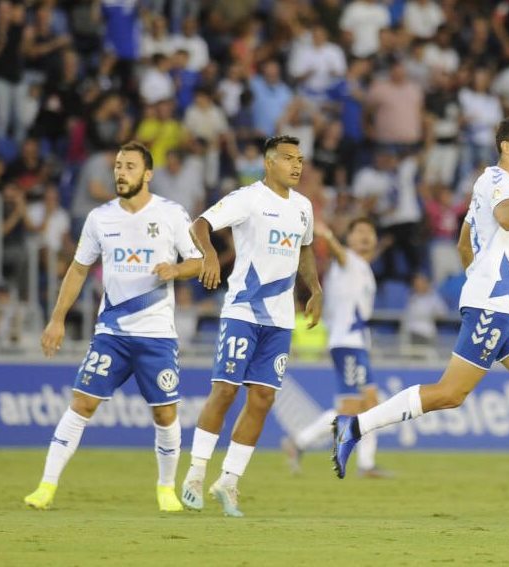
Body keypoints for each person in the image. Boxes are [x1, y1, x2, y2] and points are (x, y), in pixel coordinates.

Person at [331, 116, 509, 511]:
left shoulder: (498, 187)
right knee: (449, 394)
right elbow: (508, 217)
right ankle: (354, 426)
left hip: (503, 309)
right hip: (492, 308)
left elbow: (463, 241)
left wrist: (478, 275)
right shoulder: (497, 181)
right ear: (504, 146)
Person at [24, 141, 204, 512]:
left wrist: (176, 269)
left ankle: (166, 488)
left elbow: (199, 262)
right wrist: (57, 319)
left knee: (165, 414)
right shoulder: (100, 218)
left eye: (130, 167)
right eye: (118, 166)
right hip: (112, 334)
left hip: (156, 335)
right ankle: (45, 487)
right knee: (81, 404)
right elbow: (77, 269)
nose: (121, 172)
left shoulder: (171, 215)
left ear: (147, 174)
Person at [181, 135, 321, 518]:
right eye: (289, 158)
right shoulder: (248, 198)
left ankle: (228, 481)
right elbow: (201, 223)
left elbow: (305, 249)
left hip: (279, 320)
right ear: (269, 162)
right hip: (243, 311)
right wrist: (209, 255)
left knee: (262, 399)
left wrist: (315, 288)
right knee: (225, 391)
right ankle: (195, 473)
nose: (297, 165)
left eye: (301, 159)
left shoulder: (304, 207)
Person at [282, 217, 386, 477]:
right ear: (348, 238)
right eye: (359, 230)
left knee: (369, 404)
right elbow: (338, 254)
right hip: (346, 344)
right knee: (353, 408)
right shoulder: (347, 260)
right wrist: (328, 236)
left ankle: (365, 464)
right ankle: (300, 442)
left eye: (370, 231)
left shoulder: (363, 267)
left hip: (357, 344)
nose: (365, 235)